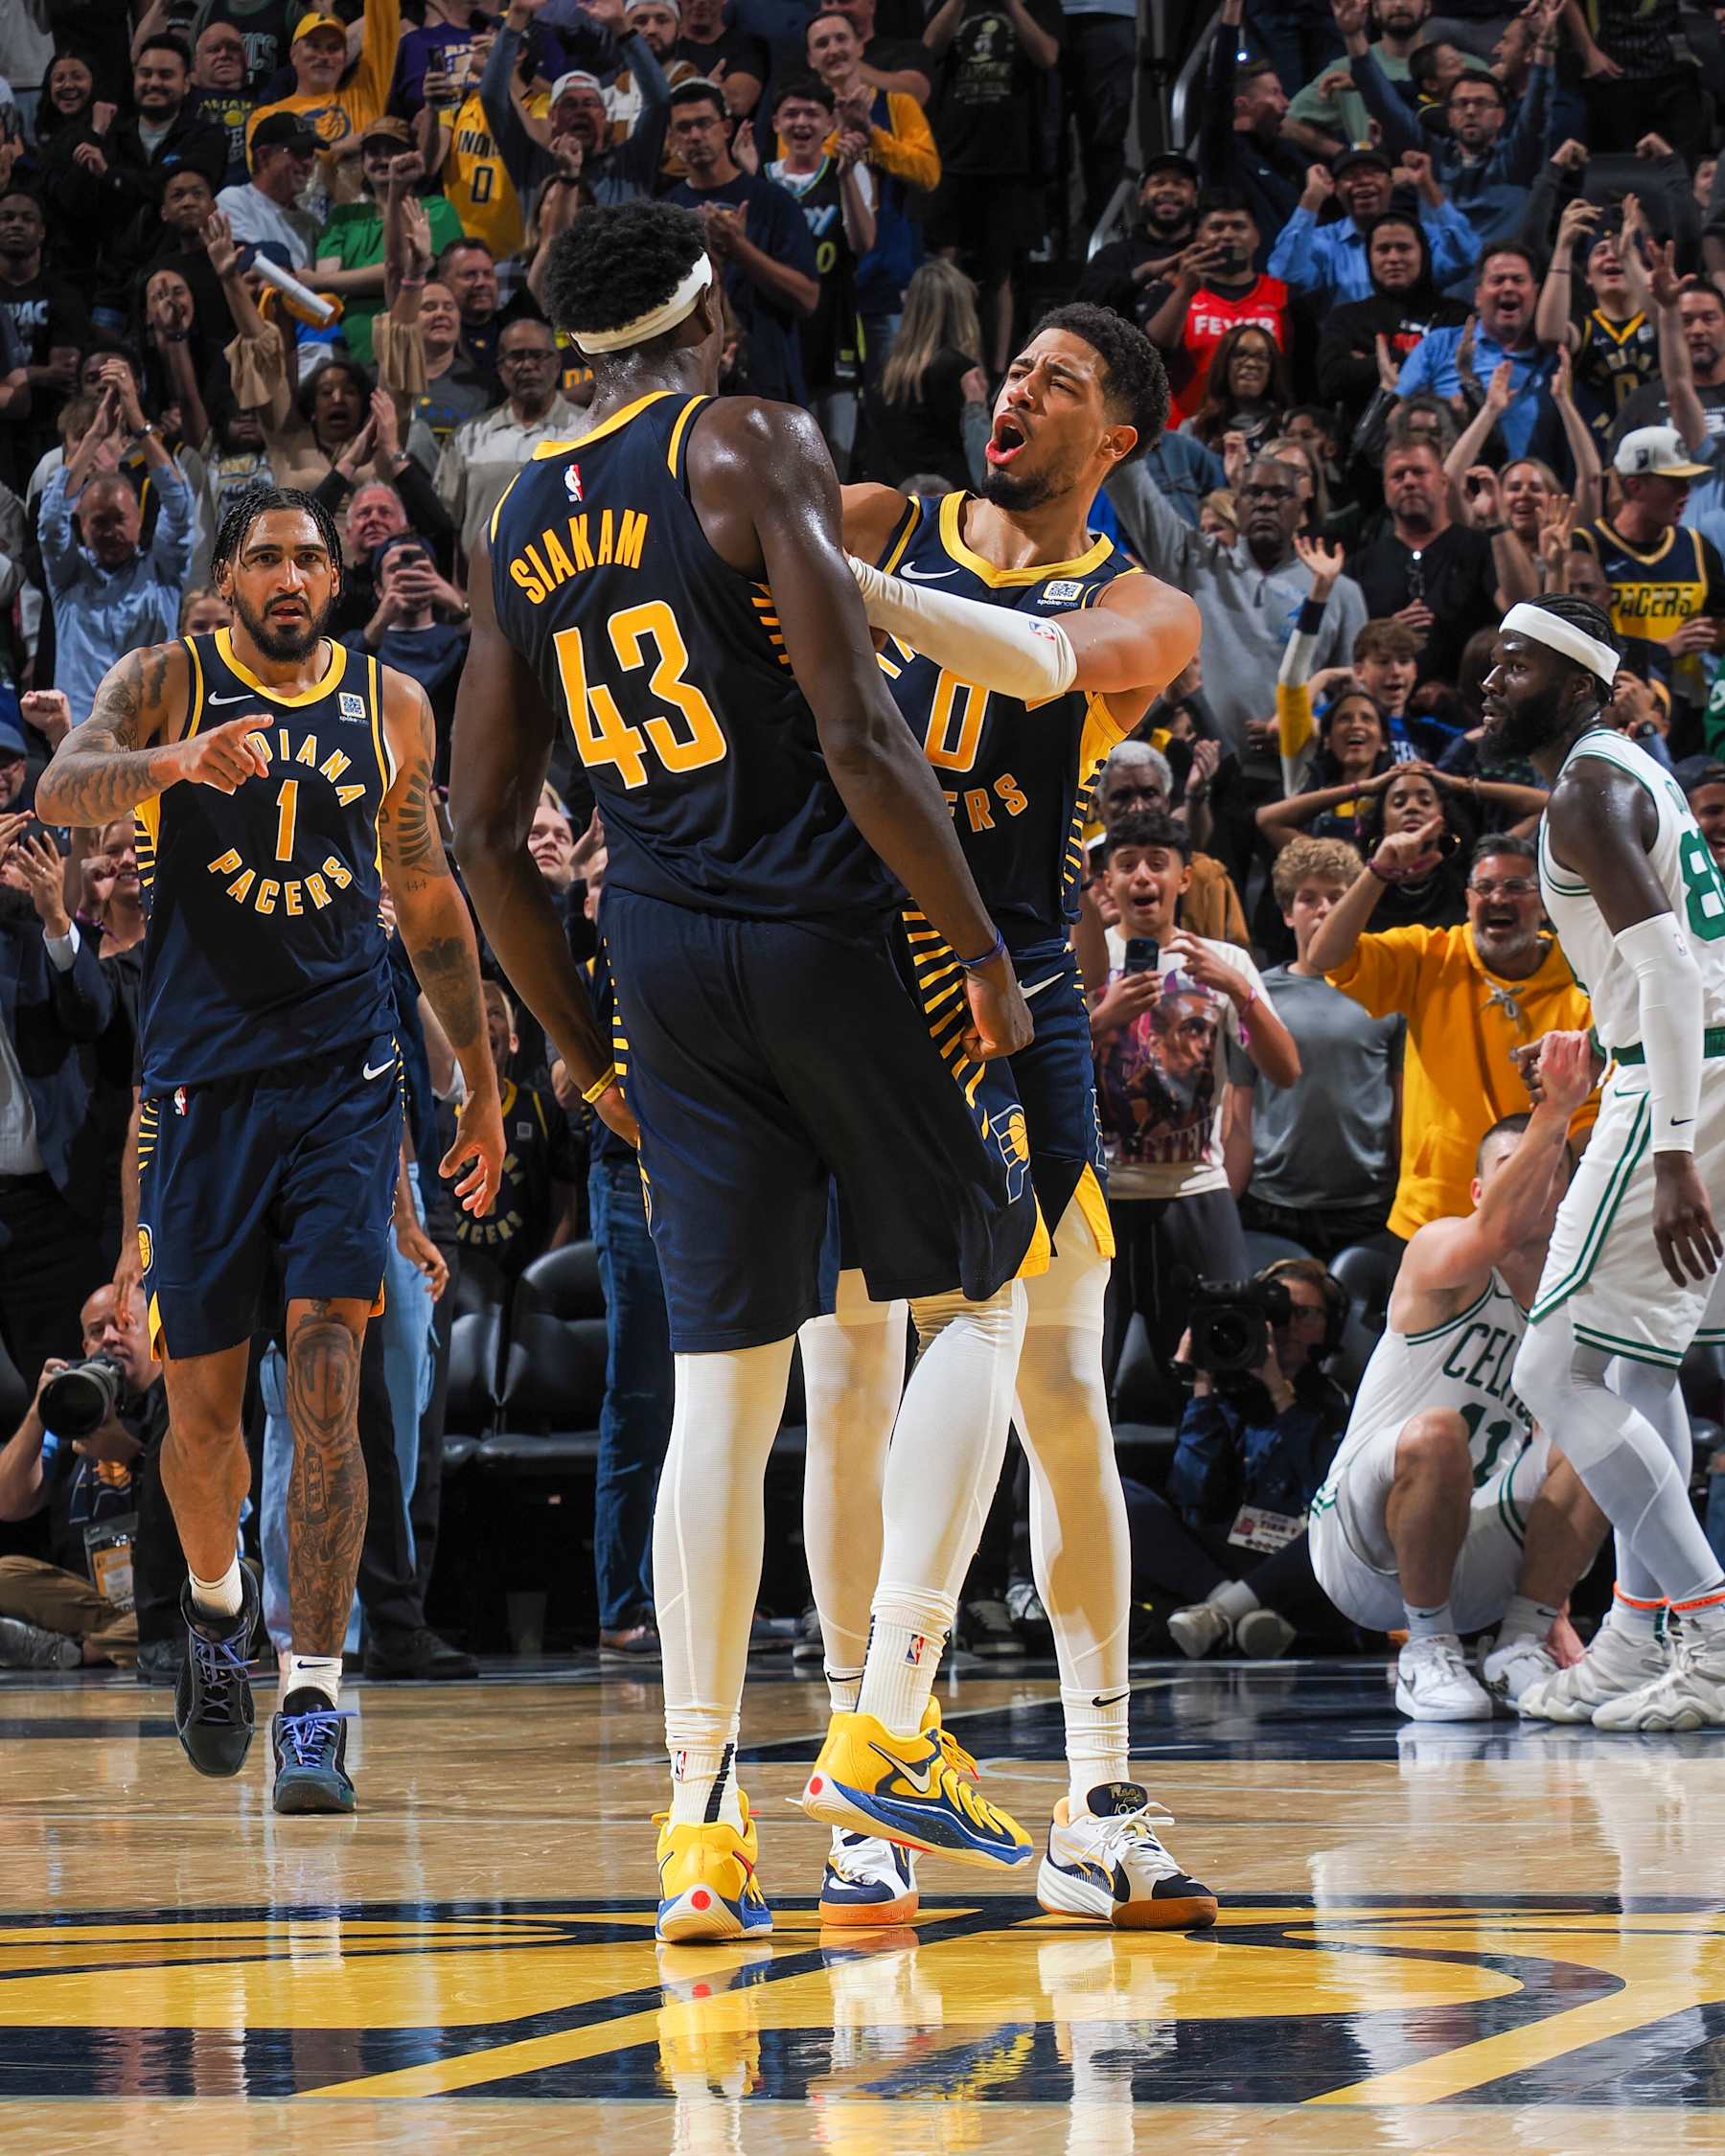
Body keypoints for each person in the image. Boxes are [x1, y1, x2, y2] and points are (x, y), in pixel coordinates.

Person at [451, 199, 1044, 1942]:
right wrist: (989, 954)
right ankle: (887, 1712)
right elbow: (862, 733)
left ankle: (701, 1830)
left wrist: (572, 1044)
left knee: (726, 1388)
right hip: (812, 922)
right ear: (711, 311)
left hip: (654, 958)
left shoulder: (517, 511)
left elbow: (482, 831)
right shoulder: (747, 440)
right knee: (982, 1294)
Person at [804, 300, 1215, 1931]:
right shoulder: (885, 511)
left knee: (1059, 1387)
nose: (1019, 392)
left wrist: (855, 597)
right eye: (1014, 369)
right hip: (845, 965)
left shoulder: (1143, 605)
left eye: (1061, 382)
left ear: (1116, 436)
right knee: (849, 1385)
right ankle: (867, 1786)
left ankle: (1098, 1801)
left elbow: (1038, 664)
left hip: (1011, 980)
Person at [34, 483, 504, 1817]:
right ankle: (219, 1613)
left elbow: (427, 898)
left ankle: (313, 1694)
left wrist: (477, 1083)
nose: (293, 573)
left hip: (347, 1081)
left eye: (309, 554)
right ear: (225, 579)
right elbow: (66, 793)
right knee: (197, 1412)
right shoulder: (166, 681)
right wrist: (174, 767)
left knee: (329, 1370)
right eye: (265, 556)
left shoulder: (387, 704)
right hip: (200, 1090)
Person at [1477, 597, 1725, 1731]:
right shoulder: (1624, 768)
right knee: (1639, 1371)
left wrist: (1672, 1146)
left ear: (1576, 684)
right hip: (1693, 1067)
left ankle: (1709, 1630)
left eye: (1517, 664)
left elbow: (1668, 971)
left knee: (1550, 1372)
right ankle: (1636, 1629)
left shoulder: (1584, 787)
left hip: (1675, 1083)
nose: (1489, 676)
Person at [1309, 1044, 1608, 1717]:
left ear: (1569, 1192)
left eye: (1548, 1172)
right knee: (1439, 1433)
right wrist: (1556, 1110)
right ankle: (1426, 1650)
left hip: (1480, 1559)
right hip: (1362, 1550)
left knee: (1604, 1433)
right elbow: (1498, 1231)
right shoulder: (1441, 1252)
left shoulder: (1575, 1305)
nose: (1532, 1185)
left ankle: (1520, 1644)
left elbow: (1562, 1472)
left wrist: (1554, 1606)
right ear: (1479, 1191)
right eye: (1511, 1170)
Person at [1091, 810, 1300, 1379]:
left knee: (1225, 1372)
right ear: (1107, 881)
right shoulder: (1081, 961)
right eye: (1126, 864)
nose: (1141, 877)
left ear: (1184, 878)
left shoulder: (1225, 962)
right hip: (1096, 1201)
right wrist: (1103, 1018)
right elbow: (1036, 1071)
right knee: (1075, 1383)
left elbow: (1284, 1069)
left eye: (1158, 864)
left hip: (1196, 1193)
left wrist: (1237, 989)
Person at [1308, 825, 1598, 1237]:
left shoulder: (1582, 982)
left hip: (1539, 1220)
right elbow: (1325, 955)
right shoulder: (1429, 956)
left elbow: (1593, 1113)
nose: (1498, 897)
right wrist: (1378, 872)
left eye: (1516, 886)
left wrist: (1538, 1181)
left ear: (1545, 903)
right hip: (1432, 1215)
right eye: (1485, 887)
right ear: (1467, 901)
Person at [1143, 1257, 1354, 1662]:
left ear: (1330, 1326)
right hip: (1221, 1554)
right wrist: (1202, 1389)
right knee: (1116, 1497)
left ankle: (1218, 1615)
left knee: (1344, 1525)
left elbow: (1323, 1495)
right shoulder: (1222, 1396)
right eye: (1276, 1313)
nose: (1288, 1325)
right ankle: (1239, 1613)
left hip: (1294, 1557)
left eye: (1305, 1313)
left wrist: (1281, 1395)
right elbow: (1192, 1497)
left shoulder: (1337, 1401)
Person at [1232, 837, 1402, 1256]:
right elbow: (1240, 1109)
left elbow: (1402, 1105)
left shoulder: (1387, 993)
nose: (1324, 909)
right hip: (1275, 1203)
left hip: (1369, 1203)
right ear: (1288, 914)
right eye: (1308, 899)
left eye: (1337, 898)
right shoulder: (1258, 994)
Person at [0, 1282, 174, 1672]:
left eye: (124, 1324)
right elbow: (7, 1503)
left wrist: (130, 1455)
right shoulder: (67, 1408)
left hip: (166, 1587)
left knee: (232, 1588)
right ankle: (117, 1641)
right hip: (84, 1599)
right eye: (97, 1331)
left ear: (153, 1334)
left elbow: (204, 1506)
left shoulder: (177, 1401)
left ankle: (75, 1652)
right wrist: (40, 1410)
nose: (109, 1337)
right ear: (84, 1347)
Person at [1333, 0, 1562, 259]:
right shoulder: (1432, 159)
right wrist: (1353, 37)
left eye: (1482, 103)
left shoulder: (1517, 161)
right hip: (1442, 293)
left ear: (1501, 116)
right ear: (1450, 116)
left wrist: (1545, 47)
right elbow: (1385, 106)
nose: (1472, 111)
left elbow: (1537, 113)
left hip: (1504, 285)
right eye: (1462, 104)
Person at [38, 367, 196, 725]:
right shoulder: (68, 578)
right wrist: (94, 436)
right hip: (81, 736)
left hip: (152, 733)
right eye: (99, 522)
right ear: (82, 524)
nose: (109, 531)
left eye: (118, 520)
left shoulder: (162, 573)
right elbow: (50, 521)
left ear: (139, 522)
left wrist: (139, 424)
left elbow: (179, 503)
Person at [919, 0, 1061, 378]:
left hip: (1009, 158)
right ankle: (950, 360)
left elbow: (1047, 56)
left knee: (1000, 271)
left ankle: (999, 371)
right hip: (953, 153)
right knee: (945, 265)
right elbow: (929, 46)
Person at [664, 80, 818, 404]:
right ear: (673, 138)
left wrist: (739, 249)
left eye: (704, 123)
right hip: (688, 388)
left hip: (768, 381)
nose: (695, 135)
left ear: (726, 127)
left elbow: (807, 298)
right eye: (684, 127)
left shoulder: (773, 202)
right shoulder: (664, 215)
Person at [1350, 437, 1536, 689]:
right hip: (1390, 710)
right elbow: (1349, 648)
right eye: (1398, 476)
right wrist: (1387, 633)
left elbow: (1524, 607)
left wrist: (1497, 520)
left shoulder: (1480, 547)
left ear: (1444, 483)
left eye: (1419, 472)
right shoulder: (1362, 565)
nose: (1409, 482)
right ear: (1385, 489)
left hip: (1475, 704)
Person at [435, 314, 582, 561]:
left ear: (557, 364)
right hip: (483, 584)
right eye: (516, 357)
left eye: (537, 355)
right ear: (501, 368)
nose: (527, 365)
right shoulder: (468, 437)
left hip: (562, 585)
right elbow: (446, 522)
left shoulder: (586, 431)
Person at [1269, 146, 1478, 312]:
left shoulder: (1421, 237)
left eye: (1373, 172)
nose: (1363, 181)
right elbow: (1285, 274)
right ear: (1336, 188)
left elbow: (1467, 257)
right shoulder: (1324, 241)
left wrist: (1427, 186)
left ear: (1391, 182)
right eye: (1351, 175)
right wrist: (1312, 197)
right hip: (1348, 352)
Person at [1139, 195, 1288, 424]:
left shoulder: (1283, 296)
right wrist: (1185, 291)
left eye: (1239, 227)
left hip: (1263, 432)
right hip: (1187, 433)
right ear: (1199, 237)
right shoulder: (1173, 292)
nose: (1227, 236)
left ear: (1257, 236)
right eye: (1216, 228)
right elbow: (1153, 348)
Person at [1315, 212, 1471, 408]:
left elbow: (1463, 375)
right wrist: (1412, 357)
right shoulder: (1346, 317)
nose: (1394, 258)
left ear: (1423, 253)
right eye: (1383, 249)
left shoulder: (1455, 315)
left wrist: (1369, 363)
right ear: (1369, 257)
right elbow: (1331, 382)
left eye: (1403, 248)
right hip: (1367, 433)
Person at [245, 0, 402, 169]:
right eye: (314, 46)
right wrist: (338, 150)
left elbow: (384, 13)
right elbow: (263, 171)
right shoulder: (265, 117)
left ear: (345, 57)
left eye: (333, 48)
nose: (324, 56)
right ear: (293, 54)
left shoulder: (365, 96)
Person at [1076, 153, 1200, 325]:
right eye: (1159, 183)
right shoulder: (1114, 255)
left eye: (1179, 184)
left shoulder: (1206, 254)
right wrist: (1140, 276)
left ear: (1194, 199)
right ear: (1142, 197)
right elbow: (1084, 305)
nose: (1169, 189)